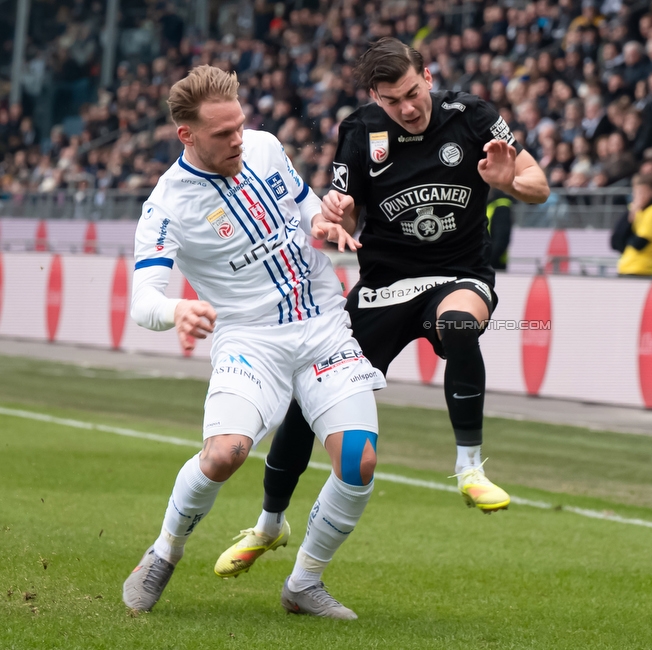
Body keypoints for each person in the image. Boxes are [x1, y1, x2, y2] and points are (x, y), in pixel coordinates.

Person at [214, 38, 550, 578]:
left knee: (460, 323)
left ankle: (469, 467)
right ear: (376, 96)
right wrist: (337, 214)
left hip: (458, 275)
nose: (409, 108)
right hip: (383, 286)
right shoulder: (359, 131)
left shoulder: (476, 117)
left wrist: (512, 181)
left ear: (429, 76)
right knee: (307, 402)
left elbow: (539, 183)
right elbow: (339, 219)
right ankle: (269, 523)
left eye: (414, 93)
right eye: (394, 101)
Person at [122, 65, 385, 619]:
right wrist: (179, 309)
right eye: (223, 133)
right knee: (224, 455)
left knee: (358, 460)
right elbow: (142, 301)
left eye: (240, 125)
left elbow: (307, 209)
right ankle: (165, 550)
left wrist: (326, 221)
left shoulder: (265, 148)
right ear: (186, 135)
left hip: (322, 325)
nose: (238, 138)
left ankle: (304, 584)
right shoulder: (167, 205)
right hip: (251, 339)